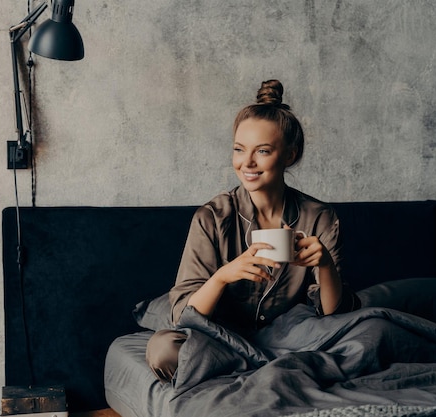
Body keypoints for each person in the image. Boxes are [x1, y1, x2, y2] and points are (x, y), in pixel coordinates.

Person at [146, 79, 361, 383]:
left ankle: (264, 371)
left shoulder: (320, 217)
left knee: (369, 333)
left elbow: (334, 315)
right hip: (222, 337)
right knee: (163, 349)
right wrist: (223, 275)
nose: (246, 162)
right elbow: (183, 313)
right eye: (238, 149)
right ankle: (276, 372)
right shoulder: (212, 217)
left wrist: (324, 265)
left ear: (289, 155)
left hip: (291, 337)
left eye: (262, 151)